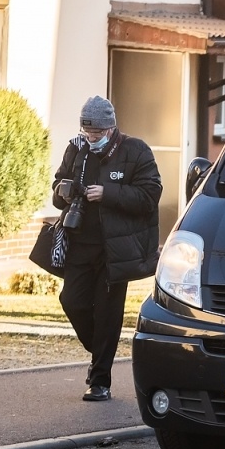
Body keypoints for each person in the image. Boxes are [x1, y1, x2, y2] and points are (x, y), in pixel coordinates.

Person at [52, 96, 162, 402]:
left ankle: (100, 380)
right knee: (71, 300)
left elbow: (150, 194)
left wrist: (108, 193)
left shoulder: (135, 150)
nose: (92, 139)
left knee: (109, 315)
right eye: (88, 133)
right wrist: (65, 190)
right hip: (79, 244)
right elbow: (57, 187)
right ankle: (99, 349)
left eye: (97, 134)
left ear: (110, 128)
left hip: (116, 250)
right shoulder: (76, 148)